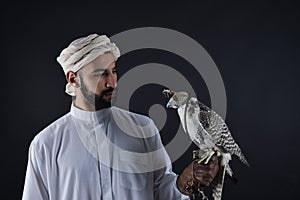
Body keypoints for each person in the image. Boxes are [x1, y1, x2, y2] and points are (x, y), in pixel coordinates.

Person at [22, 33, 219, 200]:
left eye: (113, 71)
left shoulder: (143, 128)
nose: (112, 83)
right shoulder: (46, 144)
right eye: (101, 74)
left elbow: (163, 190)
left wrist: (186, 180)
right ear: (73, 79)